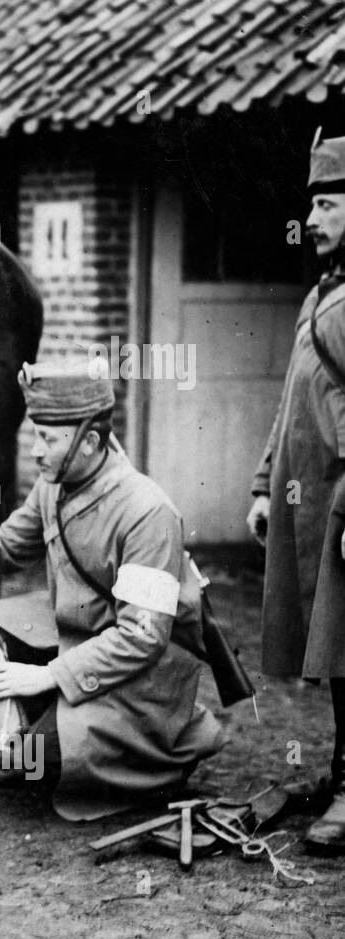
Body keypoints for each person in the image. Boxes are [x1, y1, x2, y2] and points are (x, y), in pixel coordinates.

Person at [0, 363, 228, 820]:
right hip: (74, 639)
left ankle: (163, 750)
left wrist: (48, 675)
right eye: (34, 434)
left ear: (89, 442)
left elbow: (142, 637)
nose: (34, 451)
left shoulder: (147, 512)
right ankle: (20, 717)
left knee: (28, 762)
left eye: (47, 438)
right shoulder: (55, 485)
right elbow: (5, 545)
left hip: (137, 674)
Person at [247, 131, 345, 853]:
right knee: (333, 651)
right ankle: (341, 772)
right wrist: (262, 482)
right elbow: (291, 401)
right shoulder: (322, 293)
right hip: (306, 504)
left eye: (329, 203)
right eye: (310, 203)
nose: (311, 218)